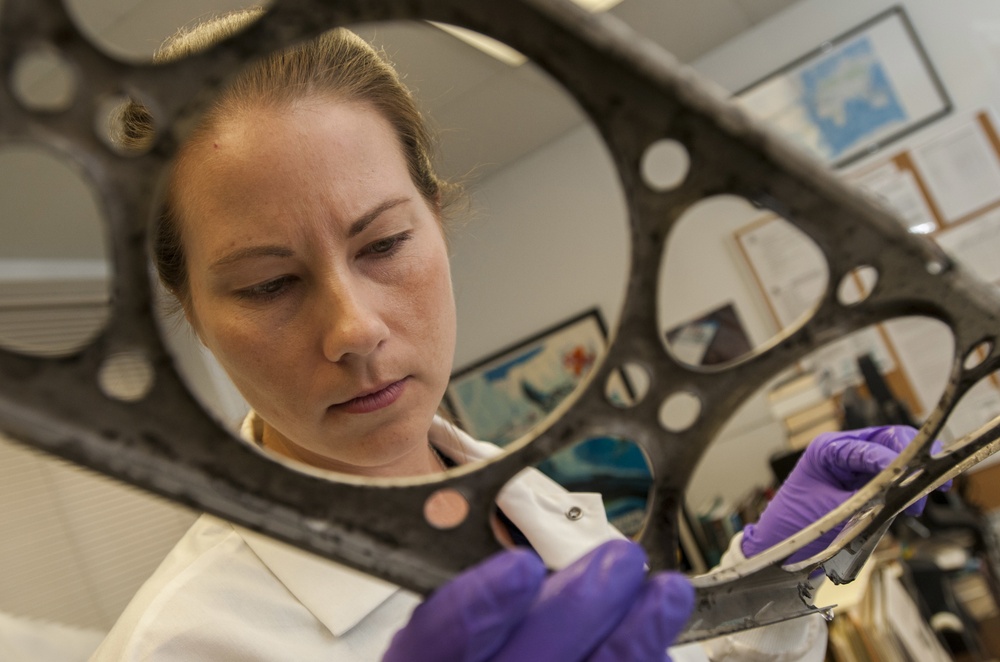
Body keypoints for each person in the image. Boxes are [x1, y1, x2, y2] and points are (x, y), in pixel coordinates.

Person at [91, 9, 941, 661]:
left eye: (384, 244)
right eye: (268, 284)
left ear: (437, 219)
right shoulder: (193, 640)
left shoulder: (531, 500)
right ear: (190, 310)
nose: (353, 329)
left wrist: (771, 588)